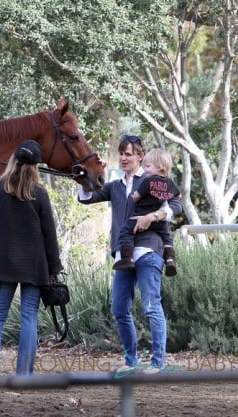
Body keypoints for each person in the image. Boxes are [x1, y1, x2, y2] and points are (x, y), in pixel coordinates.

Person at [78, 134, 183, 373]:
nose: (124, 158)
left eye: (129, 154)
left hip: (148, 249)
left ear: (140, 156)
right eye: (121, 154)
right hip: (122, 255)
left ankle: (158, 363)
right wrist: (84, 180)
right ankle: (131, 361)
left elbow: (175, 205)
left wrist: (153, 216)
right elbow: (87, 198)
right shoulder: (114, 186)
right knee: (119, 309)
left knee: (150, 306)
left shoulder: (153, 180)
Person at [0, 140, 64, 377]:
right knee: (29, 317)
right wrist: (55, 268)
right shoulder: (40, 194)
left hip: (3, 264)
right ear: (35, 167)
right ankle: (24, 375)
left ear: (13, 161)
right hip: (35, 267)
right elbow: (50, 237)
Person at [113, 148, 181, 276]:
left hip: (140, 217)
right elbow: (178, 197)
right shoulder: (170, 183)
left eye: (148, 166)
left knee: (126, 232)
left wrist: (134, 197)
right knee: (167, 238)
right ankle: (170, 260)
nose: (146, 170)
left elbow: (137, 196)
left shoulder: (148, 181)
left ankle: (127, 258)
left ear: (160, 167)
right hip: (159, 223)